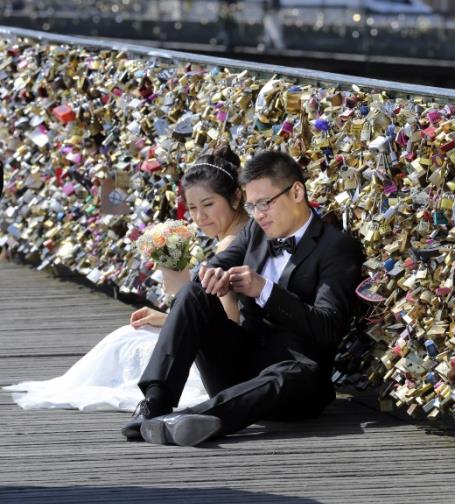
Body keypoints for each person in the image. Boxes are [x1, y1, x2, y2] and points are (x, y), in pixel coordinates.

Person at [122, 149, 363, 447]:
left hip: (294, 382)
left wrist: (265, 289)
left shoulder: (336, 247)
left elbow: (330, 328)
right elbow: (216, 267)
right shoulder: (255, 230)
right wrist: (213, 275)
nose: (258, 214)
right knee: (194, 292)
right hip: (237, 367)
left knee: (296, 373)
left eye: (265, 203)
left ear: (297, 192)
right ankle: (155, 404)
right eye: (251, 206)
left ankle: (189, 420)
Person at [4, 146, 250, 412]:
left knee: (128, 340)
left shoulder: (230, 244)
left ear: (235, 197)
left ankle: (155, 398)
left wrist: (169, 320)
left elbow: (228, 321)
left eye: (208, 205)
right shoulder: (242, 232)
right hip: (228, 344)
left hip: (226, 357)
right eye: (192, 208)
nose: (200, 217)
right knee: (131, 336)